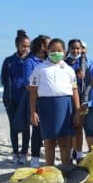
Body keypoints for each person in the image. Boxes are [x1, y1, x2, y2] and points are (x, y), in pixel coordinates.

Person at [29, 38, 81, 167]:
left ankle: (66, 168)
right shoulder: (40, 68)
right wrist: (33, 111)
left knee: (65, 140)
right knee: (49, 140)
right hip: (47, 106)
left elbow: (74, 91)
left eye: (59, 50)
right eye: (52, 50)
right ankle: (49, 169)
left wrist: (78, 111)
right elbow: (33, 91)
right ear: (47, 51)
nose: (56, 53)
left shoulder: (69, 69)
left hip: (66, 106)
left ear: (64, 52)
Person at [1, 29, 31, 165]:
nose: (26, 48)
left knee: (26, 127)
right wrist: (8, 97)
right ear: (17, 45)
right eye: (23, 46)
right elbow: (3, 79)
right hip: (11, 99)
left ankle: (24, 152)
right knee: (13, 127)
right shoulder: (8, 61)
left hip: (27, 99)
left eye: (28, 46)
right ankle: (15, 152)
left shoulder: (31, 61)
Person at [20, 34, 50, 167]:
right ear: (42, 46)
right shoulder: (30, 62)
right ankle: (35, 157)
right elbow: (28, 83)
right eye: (49, 45)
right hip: (36, 100)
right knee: (37, 129)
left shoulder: (49, 61)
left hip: (50, 100)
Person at [65, 38, 89, 162]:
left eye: (78, 48)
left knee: (79, 128)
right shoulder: (64, 62)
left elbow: (89, 84)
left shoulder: (85, 63)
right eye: (73, 48)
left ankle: (79, 155)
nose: (75, 50)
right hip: (67, 100)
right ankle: (68, 155)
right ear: (69, 49)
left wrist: (85, 102)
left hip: (82, 101)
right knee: (68, 130)